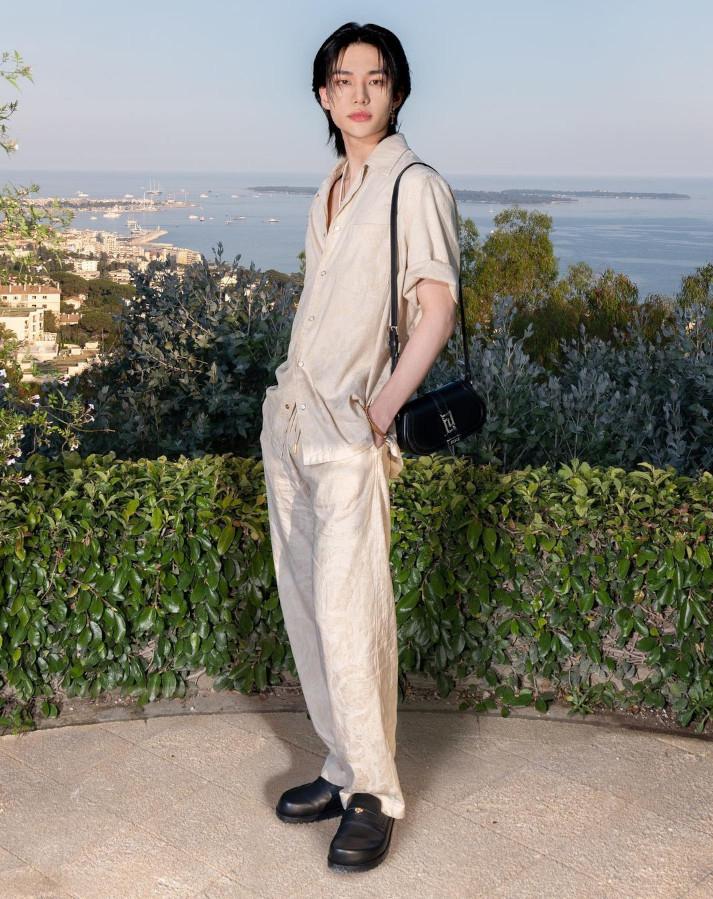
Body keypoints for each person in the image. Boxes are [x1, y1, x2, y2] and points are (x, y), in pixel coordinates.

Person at [260, 21, 460, 873]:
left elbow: (435, 311)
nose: (358, 95)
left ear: (397, 91)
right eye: (342, 80)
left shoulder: (414, 184)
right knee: (308, 609)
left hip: (349, 434)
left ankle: (375, 793)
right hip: (291, 424)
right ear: (323, 94)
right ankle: (342, 767)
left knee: (351, 616)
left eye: (375, 80)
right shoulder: (331, 186)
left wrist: (376, 416)